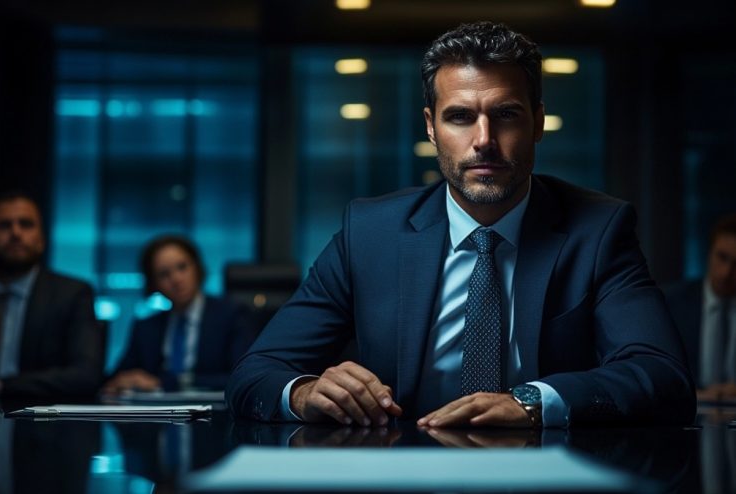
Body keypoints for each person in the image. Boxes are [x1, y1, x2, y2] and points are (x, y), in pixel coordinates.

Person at [227, 21, 695, 428]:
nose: (484, 140)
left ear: (537, 122)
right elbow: (256, 373)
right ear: (431, 127)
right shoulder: (369, 233)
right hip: (399, 469)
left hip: (544, 470)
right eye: (460, 117)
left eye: (506, 114)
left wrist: (532, 402)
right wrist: (305, 392)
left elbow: (662, 375)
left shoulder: (598, 230)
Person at [0, 192, 102, 398]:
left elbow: (85, 376)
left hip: (42, 414)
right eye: (3, 225)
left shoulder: (72, 294)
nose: (16, 233)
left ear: (42, 239)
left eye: (26, 224)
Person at [102, 235, 255, 393]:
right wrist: (126, 381)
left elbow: (242, 377)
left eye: (182, 267)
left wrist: (167, 383)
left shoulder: (232, 315)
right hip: (155, 407)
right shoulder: (145, 327)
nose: (176, 279)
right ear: (153, 284)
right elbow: (116, 379)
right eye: (164, 274)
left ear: (197, 267)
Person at [663, 213, 736, 402]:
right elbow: (657, 373)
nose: (727, 272)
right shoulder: (670, 303)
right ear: (709, 253)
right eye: (722, 257)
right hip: (686, 409)